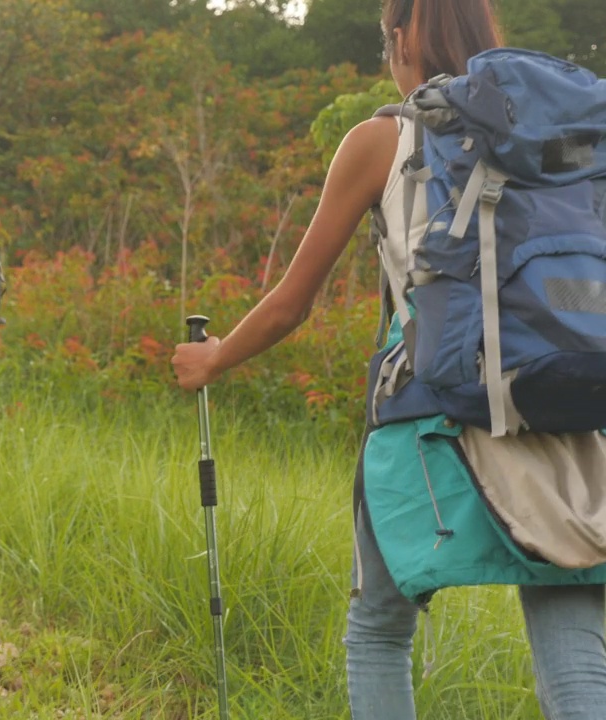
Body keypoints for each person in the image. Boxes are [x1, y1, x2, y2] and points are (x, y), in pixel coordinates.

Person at [169, 1, 606, 718]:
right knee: (577, 661)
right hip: (568, 405)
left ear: (403, 37)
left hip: (432, 411)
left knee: (377, 630)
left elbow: (290, 303)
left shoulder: (384, 139)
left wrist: (214, 360)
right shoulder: (566, 141)